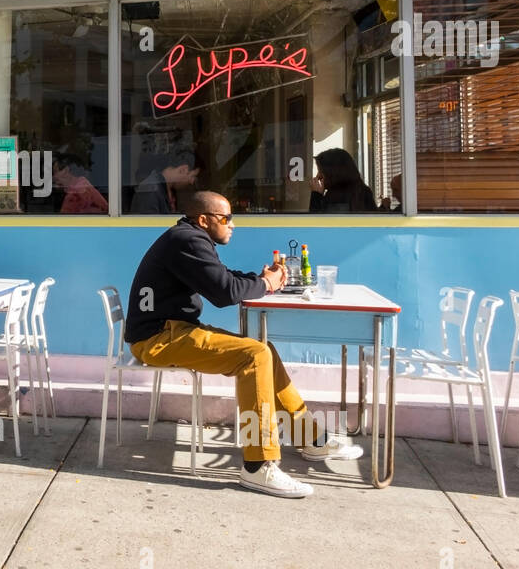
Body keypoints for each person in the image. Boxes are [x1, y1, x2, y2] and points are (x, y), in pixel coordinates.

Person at [125, 190, 361, 498]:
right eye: (226, 218)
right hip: (158, 339)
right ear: (204, 219)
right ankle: (257, 465)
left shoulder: (188, 238)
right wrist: (265, 284)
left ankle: (311, 439)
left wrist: (260, 280)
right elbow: (224, 293)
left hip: (172, 331)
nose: (232, 224)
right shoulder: (187, 240)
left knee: (265, 351)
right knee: (255, 356)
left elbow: (222, 278)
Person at [131, 148, 200, 214]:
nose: (192, 182)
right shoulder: (150, 189)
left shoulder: (168, 189)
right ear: (183, 169)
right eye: (193, 176)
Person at [309, 148, 378, 212]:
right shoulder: (364, 191)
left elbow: (318, 222)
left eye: (321, 171)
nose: (318, 176)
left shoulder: (335, 197)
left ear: (331, 173)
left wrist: (316, 196)